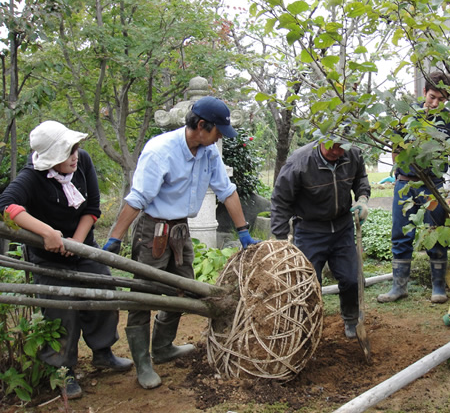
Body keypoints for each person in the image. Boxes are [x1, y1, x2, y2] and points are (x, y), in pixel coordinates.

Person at [103, 96, 260, 389]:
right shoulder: (161, 151)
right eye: (217, 133)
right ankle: (143, 363)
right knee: (142, 294)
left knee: (184, 287)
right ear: (201, 126)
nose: (218, 141)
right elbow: (137, 199)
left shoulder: (208, 153)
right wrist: (115, 237)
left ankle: (162, 348)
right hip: (152, 231)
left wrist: (243, 232)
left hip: (180, 230)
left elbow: (227, 191)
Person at [0, 121, 132, 400]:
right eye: (67, 152)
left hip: (83, 246)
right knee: (61, 308)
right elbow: (6, 207)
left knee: (104, 289)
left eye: (75, 149)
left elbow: (92, 207)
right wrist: (47, 233)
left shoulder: (82, 161)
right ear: (51, 157)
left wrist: (77, 241)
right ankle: (64, 371)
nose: (74, 156)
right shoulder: (31, 177)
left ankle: (102, 351)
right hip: (48, 258)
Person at [270, 135, 371, 339]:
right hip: (310, 230)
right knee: (308, 283)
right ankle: (307, 326)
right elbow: (281, 199)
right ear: (320, 140)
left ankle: (351, 319)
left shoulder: (353, 154)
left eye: (341, 147)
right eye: (331, 146)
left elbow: (361, 178)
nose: (336, 152)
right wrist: (280, 238)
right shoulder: (300, 162)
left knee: (351, 279)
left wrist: (362, 198)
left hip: (342, 227)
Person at [378, 71, 450, 304]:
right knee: (401, 234)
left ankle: (438, 287)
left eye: (441, 99)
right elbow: (395, 148)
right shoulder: (407, 115)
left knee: (434, 234)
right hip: (405, 185)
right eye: (432, 97)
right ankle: (399, 286)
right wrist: (400, 172)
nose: (435, 103)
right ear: (424, 92)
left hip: (433, 186)